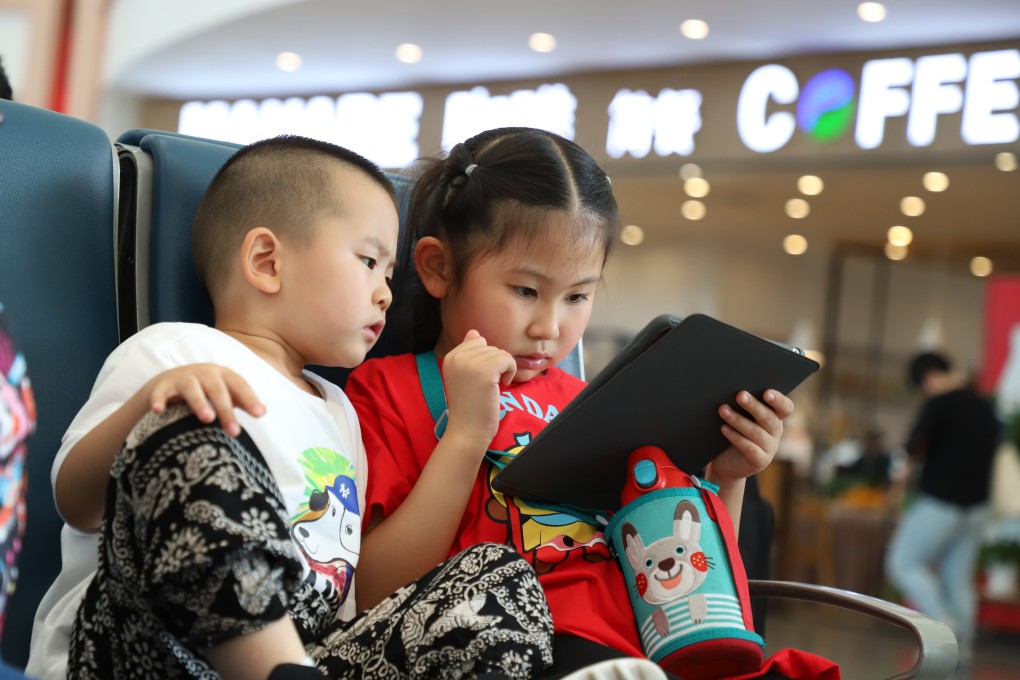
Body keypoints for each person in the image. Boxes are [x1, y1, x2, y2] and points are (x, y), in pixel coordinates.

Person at [28, 135, 554, 680]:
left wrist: (466, 435)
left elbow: (365, 596)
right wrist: (151, 404)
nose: (386, 294)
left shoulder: (337, 411)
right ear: (266, 261)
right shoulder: (176, 352)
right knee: (188, 419)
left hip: (313, 652)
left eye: (390, 274)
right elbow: (76, 502)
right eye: (369, 261)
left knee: (496, 579)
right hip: (150, 652)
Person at [344, 127, 796, 679]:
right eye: (525, 291)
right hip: (507, 648)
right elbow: (372, 595)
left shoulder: (596, 405)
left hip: (640, 651)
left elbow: (680, 582)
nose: (550, 329)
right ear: (439, 268)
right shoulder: (384, 393)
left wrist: (731, 477)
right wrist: (464, 436)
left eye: (578, 296)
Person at [885, 351, 1001, 664]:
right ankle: (963, 645)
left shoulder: (940, 402)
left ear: (928, 377)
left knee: (902, 563)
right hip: (977, 508)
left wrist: (899, 487)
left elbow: (911, 449)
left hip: (940, 502)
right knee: (957, 577)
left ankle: (944, 624)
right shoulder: (985, 406)